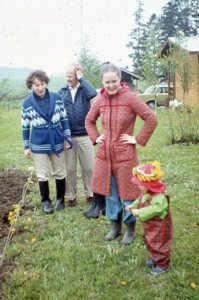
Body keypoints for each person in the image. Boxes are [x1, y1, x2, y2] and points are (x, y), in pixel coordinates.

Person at [85, 62, 158, 245]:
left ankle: (130, 229)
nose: (110, 85)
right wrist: (96, 137)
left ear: (120, 80)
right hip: (105, 157)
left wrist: (137, 139)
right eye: (107, 82)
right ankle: (114, 227)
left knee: (128, 195)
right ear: (102, 81)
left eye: (114, 81)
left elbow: (151, 118)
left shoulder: (130, 97)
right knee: (110, 194)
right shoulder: (100, 100)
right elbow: (89, 120)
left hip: (126, 157)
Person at [21, 70, 72, 214]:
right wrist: (27, 147)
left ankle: (60, 200)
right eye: (36, 85)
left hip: (56, 139)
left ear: (46, 83)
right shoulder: (27, 103)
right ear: (31, 86)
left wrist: (67, 137)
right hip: (38, 142)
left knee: (59, 171)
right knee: (42, 173)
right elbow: (25, 127)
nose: (40, 87)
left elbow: (64, 119)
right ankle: (46, 202)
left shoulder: (56, 98)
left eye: (42, 84)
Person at [58, 63, 98, 208]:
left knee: (88, 167)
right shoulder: (61, 92)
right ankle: (71, 196)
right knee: (69, 168)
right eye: (67, 75)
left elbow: (93, 94)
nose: (68, 79)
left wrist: (82, 78)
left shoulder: (84, 89)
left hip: (85, 134)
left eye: (72, 76)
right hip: (68, 136)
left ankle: (91, 194)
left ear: (78, 76)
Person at [126, 161, 173, 275]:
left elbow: (154, 210)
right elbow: (140, 200)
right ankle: (155, 259)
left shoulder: (159, 197)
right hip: (151, 226)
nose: (138, 186)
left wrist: (139, 211)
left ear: (149, 185)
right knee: (150, 241)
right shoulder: (146, 192)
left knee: (159, 245)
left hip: (160, 228)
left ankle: (163, 265)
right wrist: (134, 206)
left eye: (140, 184)